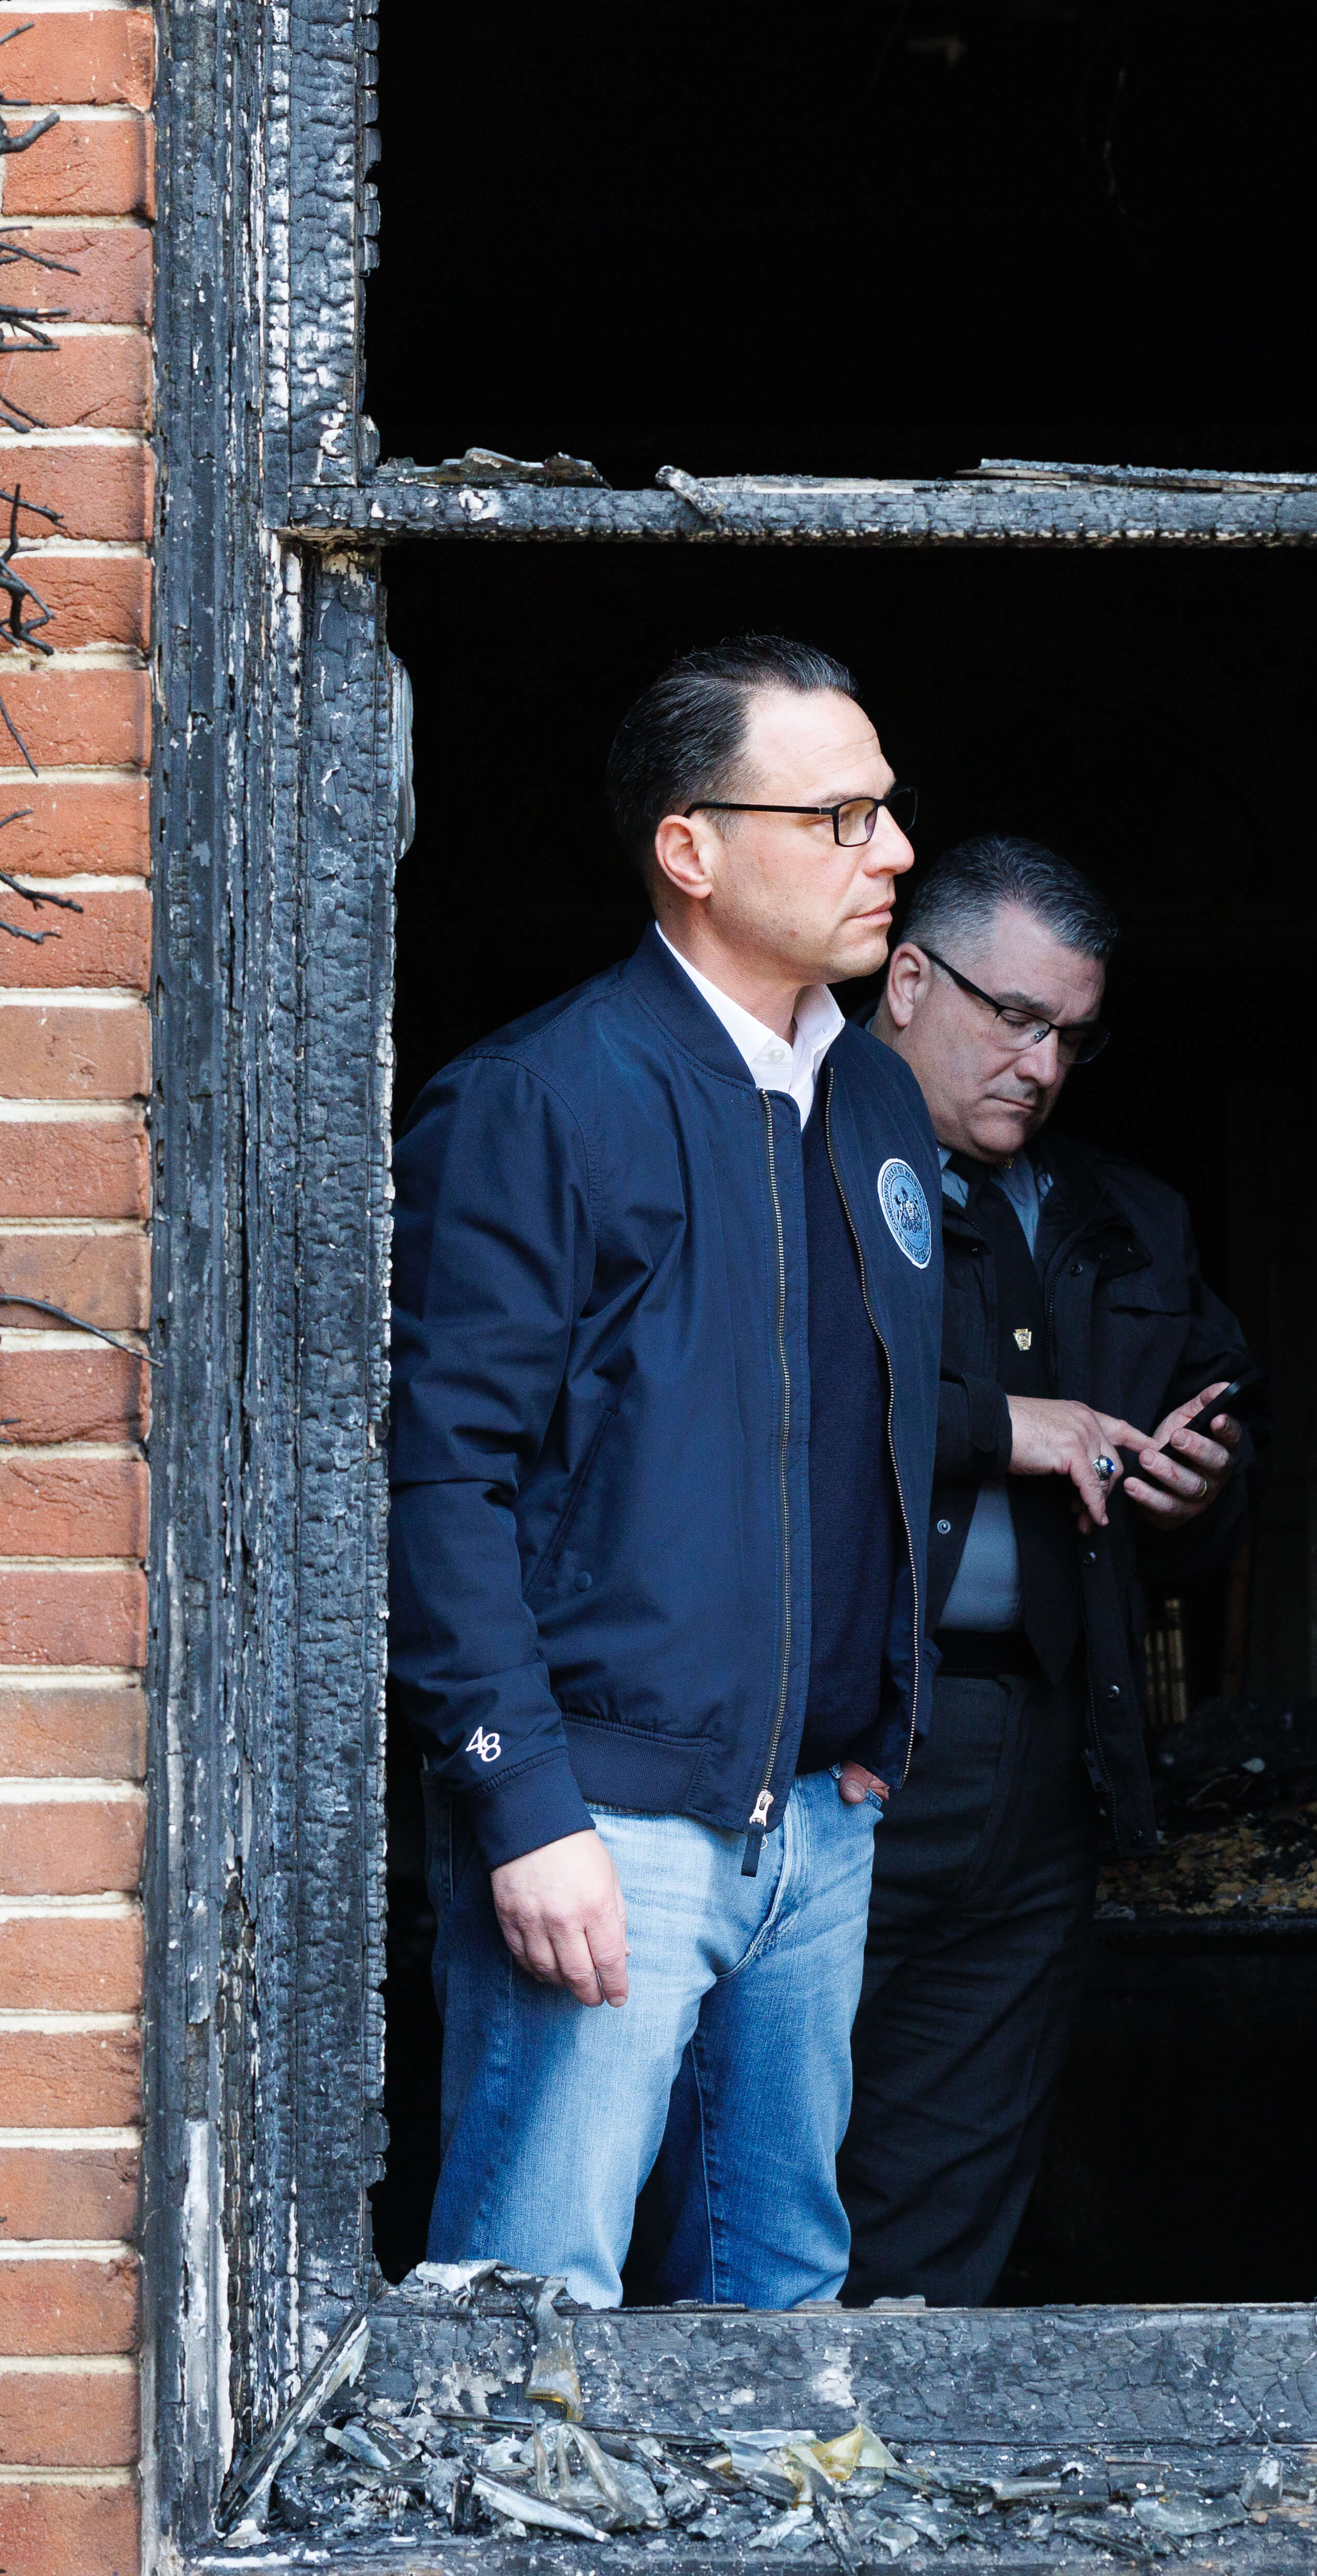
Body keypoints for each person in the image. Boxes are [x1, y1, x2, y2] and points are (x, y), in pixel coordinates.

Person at [384, 633, 939, 2309]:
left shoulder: (879, 1105)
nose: (894, 851)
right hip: (604, 1831)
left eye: (889, 810)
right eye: (841, 816)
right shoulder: (536, 1103)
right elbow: (436, 1481)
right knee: (531, 2311)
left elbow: (866, 1440)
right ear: (690, 850)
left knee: (782, 2308)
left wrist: (873, 1730)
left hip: (819, 1830)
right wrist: (524, 1805)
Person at [836, 836, 1252, 2307]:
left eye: (1070, 1035)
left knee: (953, 2166)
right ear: (905, 977)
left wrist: (1198, 1489)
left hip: (1050, 1743)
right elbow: (764, 1402)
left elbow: (1211, 1463)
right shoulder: (790, 1150)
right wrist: (1003, 1428)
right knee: (760, 2149)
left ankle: (891, 2462)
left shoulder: (1129, 1214)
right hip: (848, 1736)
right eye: (1012, 1018)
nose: (1042, 1063)